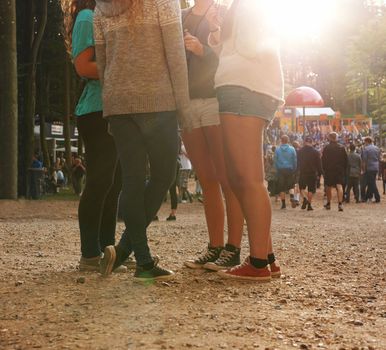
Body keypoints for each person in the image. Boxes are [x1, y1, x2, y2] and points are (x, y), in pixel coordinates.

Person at [94, 0, 190, 281]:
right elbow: (175, 55)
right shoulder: (163, 2)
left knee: (133, 180)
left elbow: (103, 62)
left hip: (118, 103)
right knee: (164, 175)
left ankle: (131, 254)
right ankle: (135, 256)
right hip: (157, 101)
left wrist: (109, 106)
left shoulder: (102, 8)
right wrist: (183, 107)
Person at [207, 0, 284, 281]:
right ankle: (267, 258)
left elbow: (252, 47)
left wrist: (229, 24)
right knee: (240, 178)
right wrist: (219, 30)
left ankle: (258, 263)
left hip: (245, 89)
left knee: (247, 179)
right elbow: (231, 52)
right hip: (242, 87)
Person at [181, 0, 244, 272]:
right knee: (206, 179)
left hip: (214, 99)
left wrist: (202, 49)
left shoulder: (223, 12)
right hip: (186, 102)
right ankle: (214, 246)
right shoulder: (180, 15)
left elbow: (232, 55)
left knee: (226, 177)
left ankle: (233, 248)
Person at [61, 0, 125, 272]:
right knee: (100, 181)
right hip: (96, 110)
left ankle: (107, 250)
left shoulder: (107, 17)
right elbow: (83, 65)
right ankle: (89, 254)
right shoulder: (87, 17)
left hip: (117, 110)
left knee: (115, 183)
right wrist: (122, 68)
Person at [321, 132, 348, 212]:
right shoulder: (342, 147)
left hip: (329, 170)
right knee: (339, 186)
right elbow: (346, 160)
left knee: (328, 187)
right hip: (339, 170)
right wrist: (344, 169)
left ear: (329, 138)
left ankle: (329, 203)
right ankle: (340, 204)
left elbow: (323, 160)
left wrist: (324, 169)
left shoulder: (326, 148)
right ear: (336, 138)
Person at [298, 136, 322, 211]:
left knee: (301, 188)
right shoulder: (316, 152)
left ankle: (304, 198)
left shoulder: (300, 151)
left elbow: (297, 162)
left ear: (305, 142)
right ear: (312, 142)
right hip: (312, 173)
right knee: (311, 190)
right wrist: (320, 173)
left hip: (303, 172)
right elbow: (319, 164)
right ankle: (309, 205)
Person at [274, 135, 297, 209]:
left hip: (280, 170)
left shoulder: (277, 149)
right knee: (291, 185)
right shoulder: (292, 149)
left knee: (281, 188)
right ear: (288, 140)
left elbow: (275, 161)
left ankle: (283, 205)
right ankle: (292, 196)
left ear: (281, 140)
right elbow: (295, 160)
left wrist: (277, 169)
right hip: (289, 169)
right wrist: (294, 168)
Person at [362, 137, 381, 203]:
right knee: (371, 182)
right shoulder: (377, 148)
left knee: (372, 183)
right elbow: (379, 158)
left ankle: (377, 197)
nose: (364, 143)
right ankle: (368, 197)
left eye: (365, 142)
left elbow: (364, 160)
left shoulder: (366, 149)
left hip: (369, 167)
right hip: (376, 167)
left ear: (367, 141)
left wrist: (364, 169)